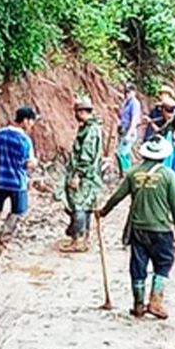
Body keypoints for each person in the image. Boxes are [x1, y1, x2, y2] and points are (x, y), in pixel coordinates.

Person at [100, 137, 175, 319]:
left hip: (138, 229)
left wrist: (103, 212)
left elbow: (117, 196)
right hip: (161, 229)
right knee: (163, 263)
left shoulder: (133, 174)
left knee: (138, 265)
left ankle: (138, 305)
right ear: (163, 155)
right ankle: (155, 302)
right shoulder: (168, 175)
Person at [0, 106, 40, 245]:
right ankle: (4, 237)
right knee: (18, 211)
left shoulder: (0, 134)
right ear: (24, 121)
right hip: (18, 182)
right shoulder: (24, 140)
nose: (32, 124)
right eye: (31, 121)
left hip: (1, 180)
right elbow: (29, 164)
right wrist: (36, 163)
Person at [60, 98, 104, 253]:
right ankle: (83, 238)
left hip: (86, 175)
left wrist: (77, 174)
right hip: (90, 174)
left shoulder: (91, 131)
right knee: (85, 205)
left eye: (77, 112)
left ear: (82, 112)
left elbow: (86, 154)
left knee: (79, 205)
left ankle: (79, 240)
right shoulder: (90, 127)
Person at [116, 82, 142, 173]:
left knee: (120, 153)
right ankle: (128, 172)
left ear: (134, 92)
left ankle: (125, 173)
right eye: (126, 92)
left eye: (129, 92)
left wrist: (128, 134)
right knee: (126, 153)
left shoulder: (135, 103)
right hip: (122, 130)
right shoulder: (126, 102)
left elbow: (134, 120)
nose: (127, 94)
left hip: (129, 131)